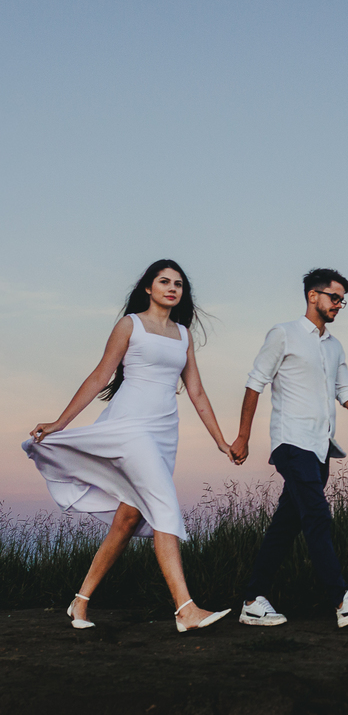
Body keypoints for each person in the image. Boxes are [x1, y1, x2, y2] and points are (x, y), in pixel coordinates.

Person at [23, 259, 233, 632]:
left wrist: (221, 441)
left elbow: (197, 391)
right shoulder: (130, 324)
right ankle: (185, 609)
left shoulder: (183, 335)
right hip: (130, 427)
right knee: (162, 502)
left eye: (179, 284)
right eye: (164, 281)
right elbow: (101, 374)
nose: (172, 288)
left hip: (165, 432)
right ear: (148, 289)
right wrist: (60, 422)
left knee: (128, 518)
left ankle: (80, 601)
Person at [230, 268, 348, 628]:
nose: (339, 305)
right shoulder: (283, 334)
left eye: (342, 300)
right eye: (334, 297)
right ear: (313, 296)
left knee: (285, 527)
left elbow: (345, 390)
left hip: (320, 449)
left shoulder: (334, 346)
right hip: (292, 443)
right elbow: (255, 384)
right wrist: (243, 436)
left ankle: (253, 600)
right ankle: (342, 599)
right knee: (317, 516)